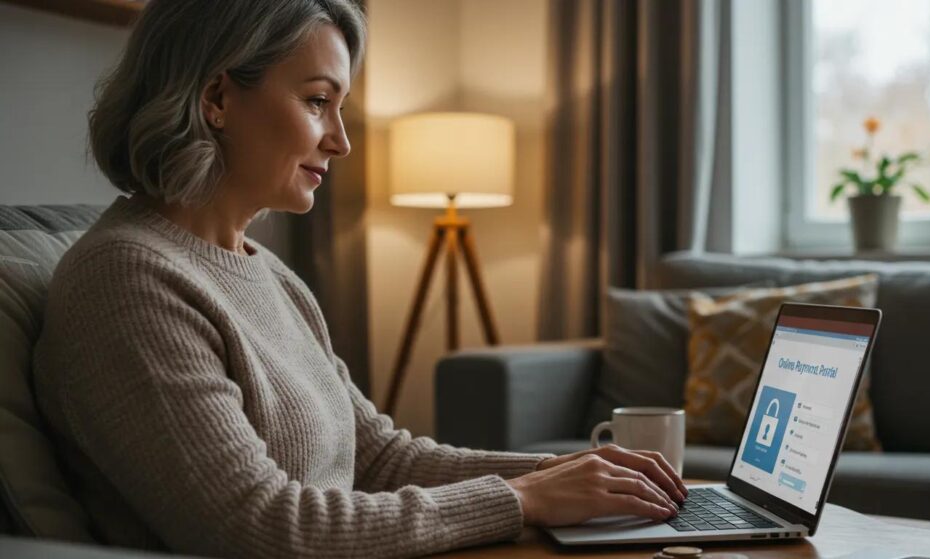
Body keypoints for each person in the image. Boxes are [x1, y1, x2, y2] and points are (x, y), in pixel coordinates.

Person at [32, 1, 687, 557]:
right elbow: (258, 522)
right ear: (217, 98)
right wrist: (523, 497)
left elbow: (381, 458)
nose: (341, 141)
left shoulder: (272, 277)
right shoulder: (127, 279)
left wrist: (569, 473)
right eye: (318, 101)